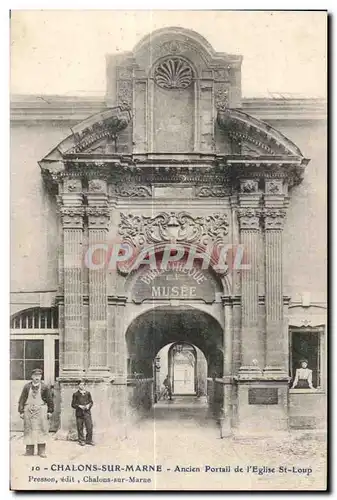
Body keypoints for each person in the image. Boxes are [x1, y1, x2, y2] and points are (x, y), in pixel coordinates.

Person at [18, 368, 54, 458]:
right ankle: (29, 451)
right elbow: (22, 399)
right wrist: (21, 411)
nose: (37, 377)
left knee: (41, 430)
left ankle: (41, 451)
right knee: (28, 430)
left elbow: (50, 400)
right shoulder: (26, 387)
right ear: (32, 376)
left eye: (39, 376)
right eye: (35, 376)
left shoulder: (45, 387)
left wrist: (50, 411)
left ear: (41, 377)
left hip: (41, 410)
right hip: (28, 410)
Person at [71, 380, 94, 446]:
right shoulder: (75, 394)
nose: (82, 386)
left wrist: (88, 405)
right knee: (80, 427)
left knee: (89, 427)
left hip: (87, 413)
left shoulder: (88, 393)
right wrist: (79, 406)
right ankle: (81, 440)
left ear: (85, 386)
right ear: (78, 386)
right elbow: (73, 404)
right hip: (79, 413)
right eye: (80, 385)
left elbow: (91, 402)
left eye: (83, 385)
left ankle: (89, 440)